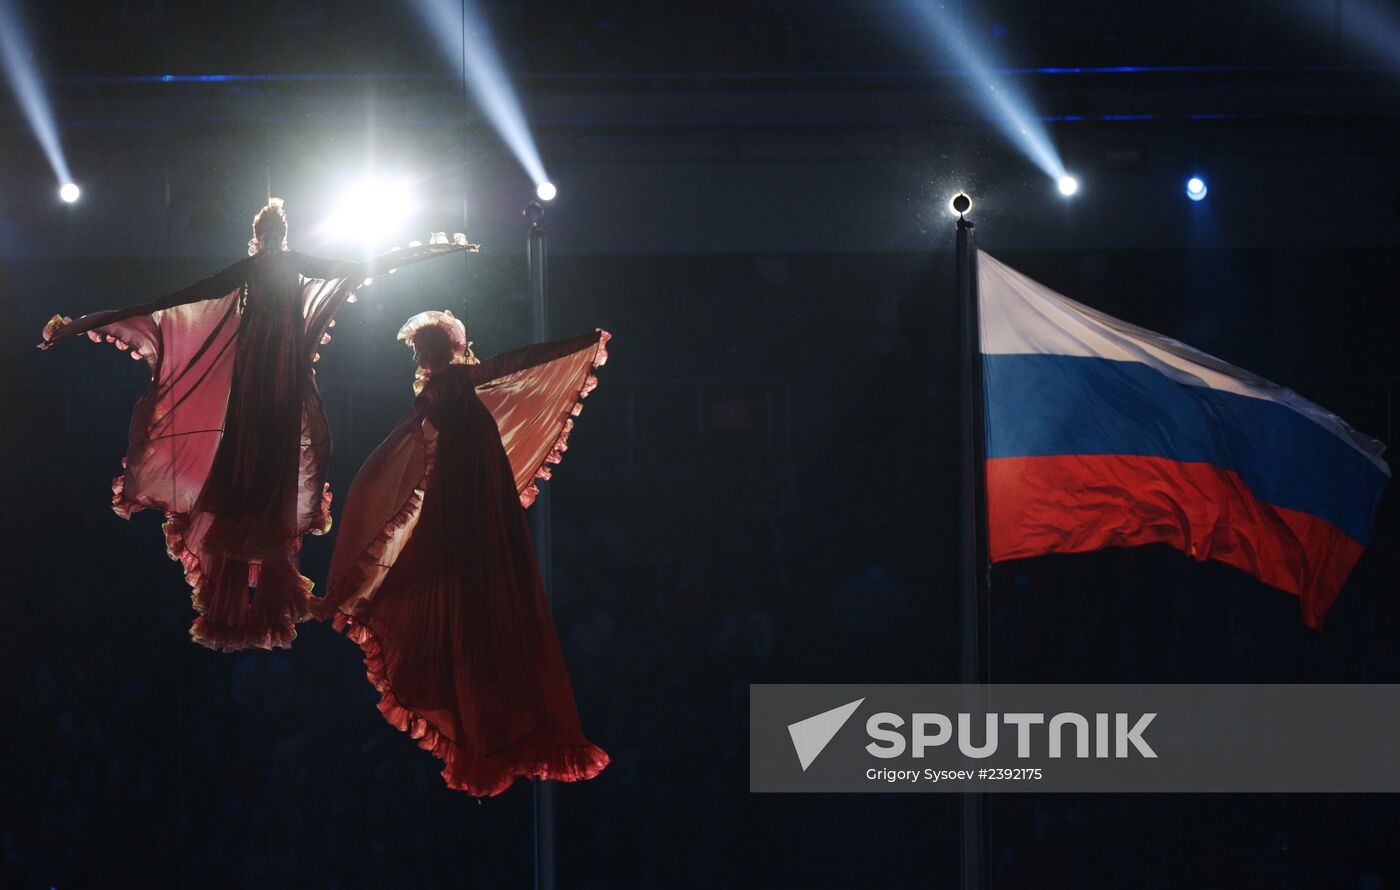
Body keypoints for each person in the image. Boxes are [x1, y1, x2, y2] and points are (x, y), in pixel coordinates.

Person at [40, 200, 473, 651]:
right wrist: (101, 321)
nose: (269, 242)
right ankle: (229, 611)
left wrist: (422, 252)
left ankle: (270, 603)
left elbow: (357, 265)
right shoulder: (247, 270)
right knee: (241, 476)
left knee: (275, 477)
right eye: (264, 236)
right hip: (252, 386)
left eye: (275, 236)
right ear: (257, 238)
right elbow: (187, 295)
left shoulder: (294, 264)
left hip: (282, 385)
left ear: (282, 238)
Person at [316, 310, 610, 795]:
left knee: (450, 596)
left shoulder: (448, 389)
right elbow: (510, 367)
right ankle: (479, 712)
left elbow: (403, 453)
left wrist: (579, 346)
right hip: (465, 504)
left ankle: (480, 712)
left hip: (464, 506)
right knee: (461, 601)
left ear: (437, 351)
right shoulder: (459, 387)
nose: (418, 359)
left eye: (421, 351)